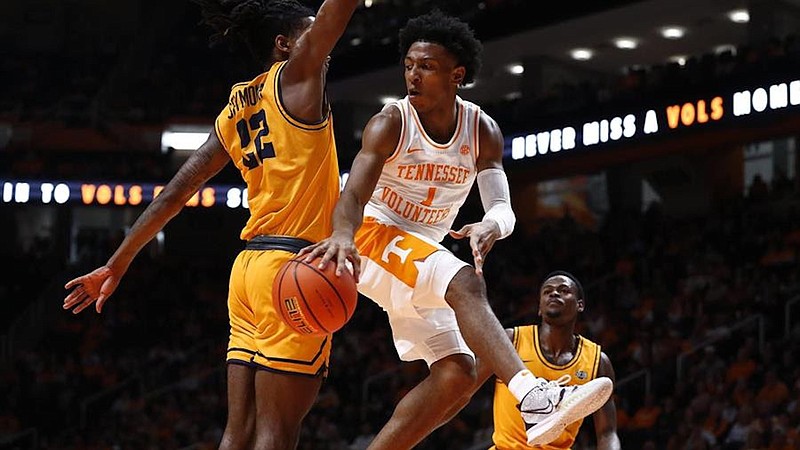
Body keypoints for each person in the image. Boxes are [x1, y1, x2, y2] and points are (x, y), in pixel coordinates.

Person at [298, 10, 613, 449]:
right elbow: (351, 197)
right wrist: (342, 236)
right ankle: (535, 397)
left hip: (420, 251)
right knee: (465, 281)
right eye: (408, 65)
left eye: (426, 66)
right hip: (371, 237)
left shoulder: (482, 130)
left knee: (459, 373)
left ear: (456, 75)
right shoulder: (390, 122)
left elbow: (502, 206)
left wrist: (492, 225)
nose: (413, 75)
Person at [62, 0, 359, 448]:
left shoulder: (236, 108)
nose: (323, 38)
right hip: (296, 268)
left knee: (236, 434)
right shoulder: (297, 78)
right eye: (310, 30)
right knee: (276, 436)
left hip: (247, 275)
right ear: (285, 45)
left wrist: (117, 263)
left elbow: (174, 194)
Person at [478, 271, 621, 449]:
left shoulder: (597, 361)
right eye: (547, 291)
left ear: (580, 305)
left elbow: (607, 432)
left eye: (563, 290)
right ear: (539, 307)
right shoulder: (512, 340)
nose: (554, 293)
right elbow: (468, 384)